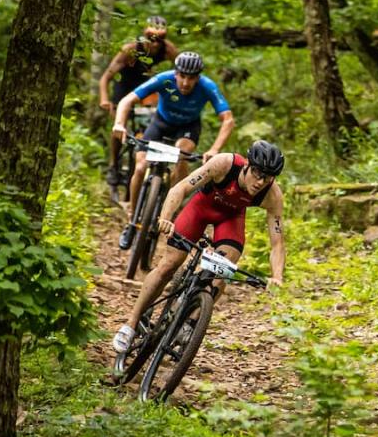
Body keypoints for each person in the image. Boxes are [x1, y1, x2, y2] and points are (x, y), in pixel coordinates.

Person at [111, 140, 287, 355]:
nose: (260, 182)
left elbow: (277, 242)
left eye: (268, 177)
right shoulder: (224, 164)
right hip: (200, 210)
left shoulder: (272, 195)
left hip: (230, 220)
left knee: (222, 273)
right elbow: (181, 187)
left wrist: (277, 276)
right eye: (257, 173)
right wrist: (165, 218)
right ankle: (131, 323)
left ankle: (189, 324)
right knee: (168, 265)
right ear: (247, 165)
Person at [112, 50, 236, 248]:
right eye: (182, 76)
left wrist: (214, 149)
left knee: (182, 154)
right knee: (140, 167)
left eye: (191, 78)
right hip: (161, 123)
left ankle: (172, 203)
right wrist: (119, 124)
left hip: (188, 128)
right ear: (175, 73)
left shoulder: (207, 86)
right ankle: (132, 220)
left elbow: (228, 120)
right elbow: (127, 100)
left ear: (198, 77)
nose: (186, 82)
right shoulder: (164, 79)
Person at [97, 16, 178, 187]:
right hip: (125, 86)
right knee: (120, 124)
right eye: (151, 38)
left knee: (157, 115)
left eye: (160, 39)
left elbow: (181, 73)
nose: (155, 44)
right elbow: (106, 77)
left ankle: (151, 154)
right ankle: (114, 165)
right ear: (144, 35)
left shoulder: (168, 50)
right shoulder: (130, 49)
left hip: (146, 86)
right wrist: (104, 99)